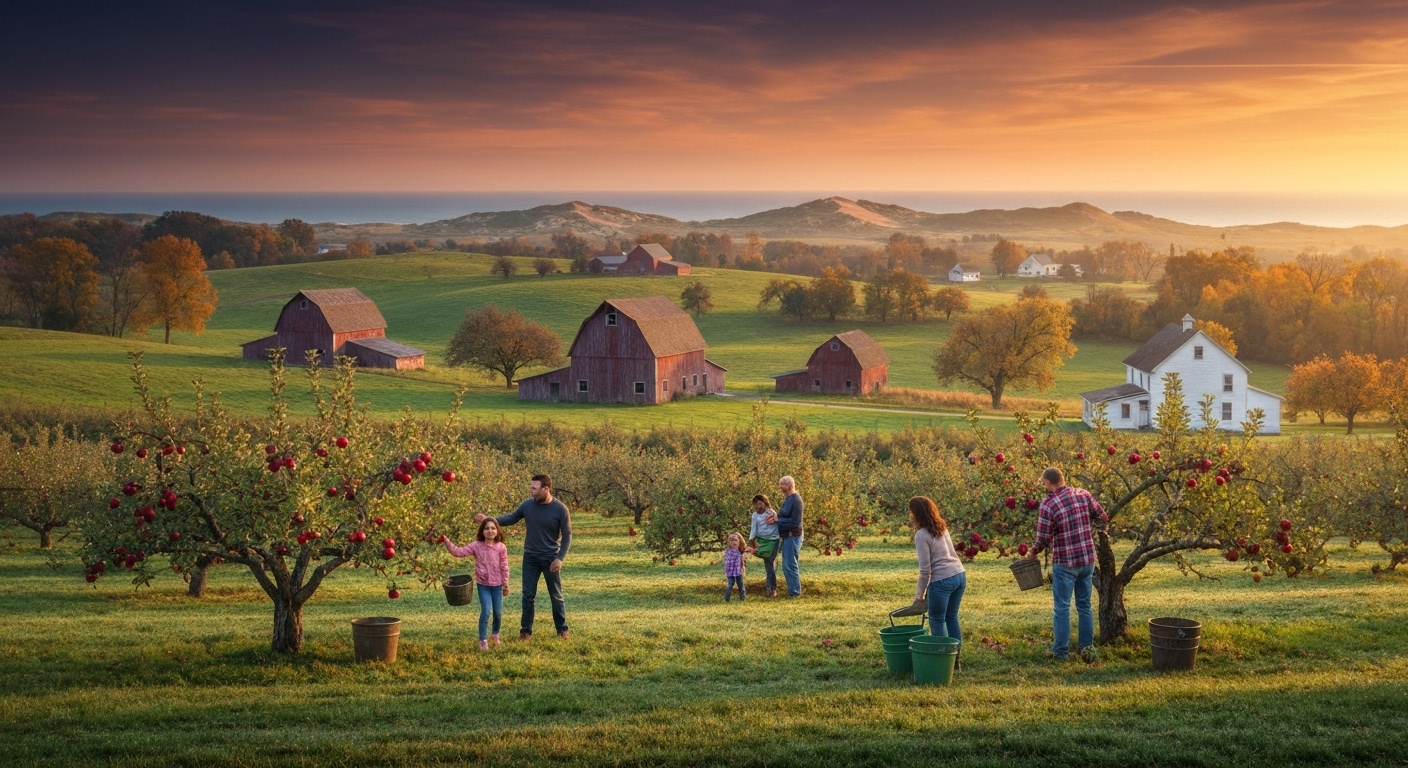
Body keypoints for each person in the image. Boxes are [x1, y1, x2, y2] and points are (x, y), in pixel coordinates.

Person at [476, 474, 572, 640]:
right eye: (531, 487)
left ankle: (562, 629)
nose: (531, 491)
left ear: (546, 488)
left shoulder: (560, 509)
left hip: (550, 558)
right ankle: (525, 631)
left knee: (556, 595)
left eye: (534, 488)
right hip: (531, 558)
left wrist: (559, 558)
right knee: (528, 596)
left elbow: (567, 535)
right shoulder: (527, 505)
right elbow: (512, 518)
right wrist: (489, 520)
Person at [1025, 466, 1107, 662]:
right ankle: (1087, 649)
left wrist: (1032, 553)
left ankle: (1060, 651)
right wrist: (1092, 530)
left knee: (1062, 607)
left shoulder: (1048, 504)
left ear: (1049, 482)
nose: (1043, 486)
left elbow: (1043, 538)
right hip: (1087, 559)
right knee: (1084, 605)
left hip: (1065, 562)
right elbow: (1102, 516)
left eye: (1044, 482)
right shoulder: (1083, 495)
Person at [907, 496, 966, 667]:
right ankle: (956, 661)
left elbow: (926, 570)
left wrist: (919, 595)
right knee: (951, 617)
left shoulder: (921, 535)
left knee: (937, 619)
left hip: (942, 581)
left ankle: (942, 663)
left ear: (916, 514)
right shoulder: (942, 528)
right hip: (959, 575)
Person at [441, 517, 510, 650]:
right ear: (482, 531)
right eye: (487, 528)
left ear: (497, 530)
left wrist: (506, 584)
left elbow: (504, 566)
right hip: (483, 585)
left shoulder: (501, 547)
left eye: (493, 528)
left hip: (497, 585)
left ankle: (495, 634)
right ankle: (482, 640)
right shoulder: (476, 546)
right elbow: (458, 552)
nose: (490, 531)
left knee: (498, 612)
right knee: (486, 610)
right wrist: (446, 540)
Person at [746, 494, 780, 597]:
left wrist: (774, 520)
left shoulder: (770, 512)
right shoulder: (755, 515)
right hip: (761, 541)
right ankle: (771, 587)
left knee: (769, 563)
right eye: (755, 503)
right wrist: (753, 540)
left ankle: (771, 589)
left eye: (759, 503)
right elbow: (754, 528)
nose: (757, 506)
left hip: (773, 540)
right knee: (768, 564)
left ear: (764, 503)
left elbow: (776, 524)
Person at [776, 476, 804, 597]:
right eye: (780, 484)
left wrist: (778, 521)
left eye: (783, 484)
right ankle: (793, 591)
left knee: (790, 565)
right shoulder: (788, 499)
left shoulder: (796, 500)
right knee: (787, 565)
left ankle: (794, 593)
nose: (780, 487)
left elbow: (796, 522)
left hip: (793, 536)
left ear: (790, 485)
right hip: (787, 536)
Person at [722, 532, 747, 602]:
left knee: (741, 586)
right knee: (730, 585)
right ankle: (727, 599)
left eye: (735, 540)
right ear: (729, 542)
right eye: (731, 540)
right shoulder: (728, 551)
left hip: (738, 571)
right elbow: (726, 562)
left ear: (739, 542)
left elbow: (742, 562)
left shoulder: (740, 552)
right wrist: (725, 570)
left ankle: (743, 599)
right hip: (730, 572)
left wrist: (743, 569)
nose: (734, 542)